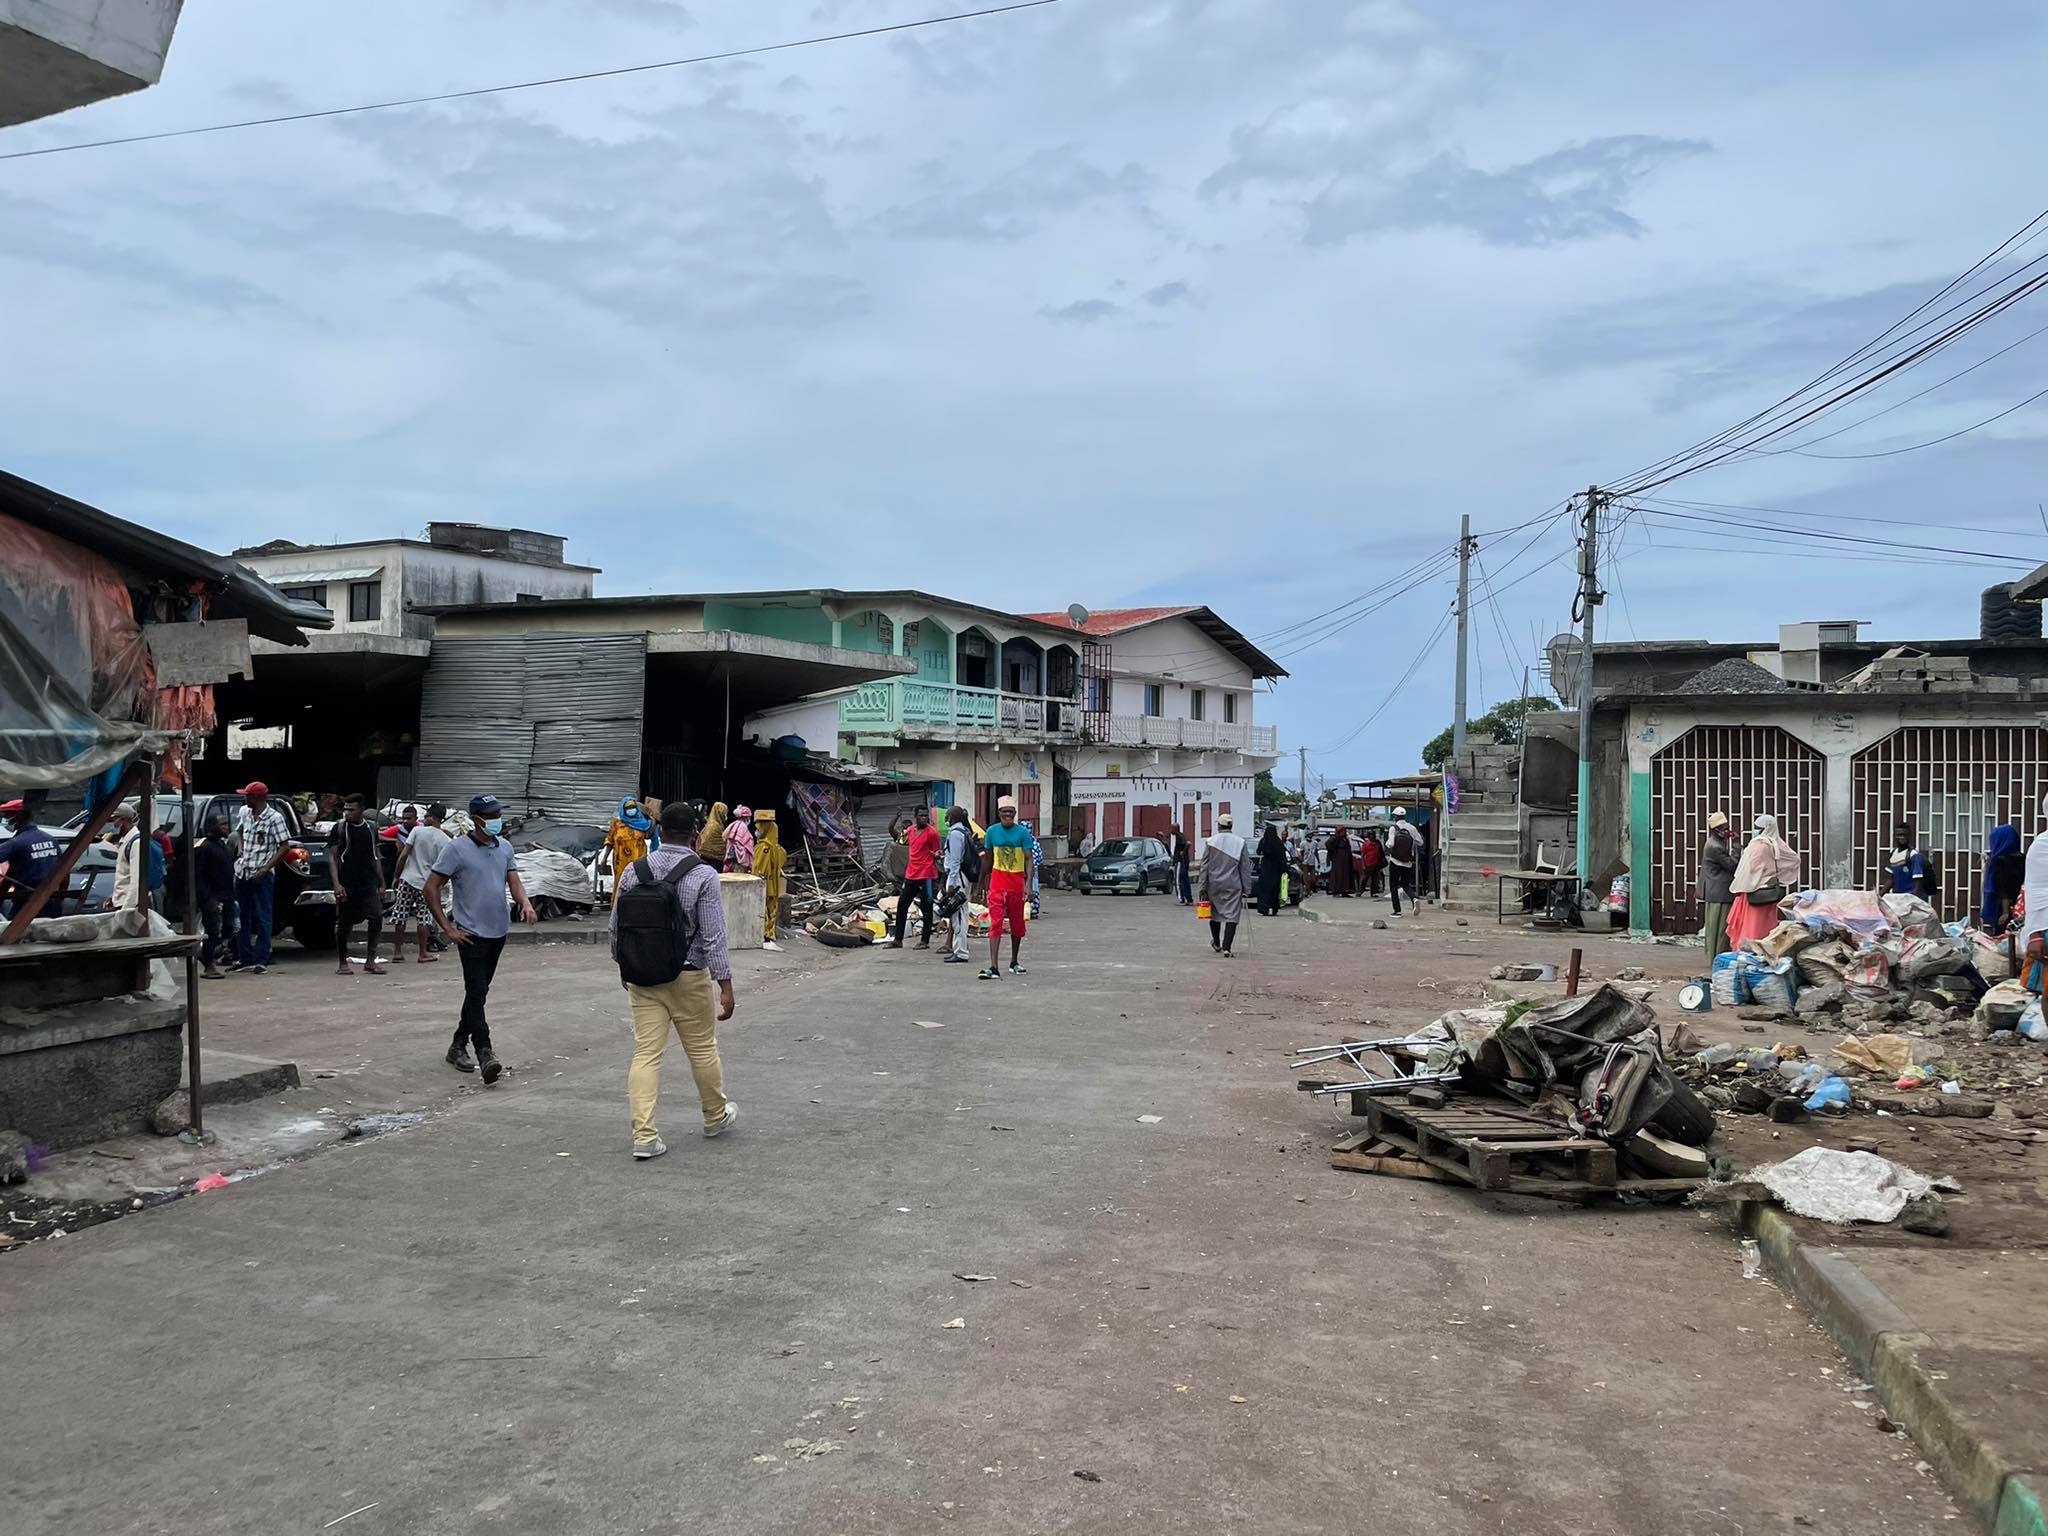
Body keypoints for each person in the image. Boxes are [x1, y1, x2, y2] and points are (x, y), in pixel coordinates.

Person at [613, 800, 738, 1157]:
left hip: (642, 977)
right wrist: (725, 985)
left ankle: (645, 1137)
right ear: (695, 836)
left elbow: (615, 928)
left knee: (646, 1055)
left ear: (660, 831)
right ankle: (714, 1116)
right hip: (687, 976)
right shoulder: (703, 875)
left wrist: (625, 968)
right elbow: (714, 936)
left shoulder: (634, 871)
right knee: (701, 1049)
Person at [424, 794, 537, 1084]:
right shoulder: (456, 849)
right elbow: (431, 887)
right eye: (493, 814)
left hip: (498, 931)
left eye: (499, 813)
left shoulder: (505, 847)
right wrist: (447, 928)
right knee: (476, 991)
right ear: (477, 819)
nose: (498, 819)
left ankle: (457, 1045)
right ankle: (485, 1052)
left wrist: (525, 903)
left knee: (479, 992)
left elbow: (513, 880)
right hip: (470, 934)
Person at [231, 781, 291, 975]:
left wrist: (266, 868)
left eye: (247, 796)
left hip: (262, 874)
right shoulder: (245, 813)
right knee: (242, 916)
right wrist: (240, 851)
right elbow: (238, 832)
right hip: (243, 871)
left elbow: (284, 846)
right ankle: (244, 957)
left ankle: (262, 959)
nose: (244, 799)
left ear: (257, 797)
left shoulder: (275, 818)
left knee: (263, 917)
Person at [328, 794, 387, 975]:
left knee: (376, 917)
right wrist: (337, 884)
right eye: (345, 809)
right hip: (348, 882)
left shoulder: (371, 828)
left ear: (361, 809)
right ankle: (342, 962)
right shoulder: (339, 829)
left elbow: (375, 856)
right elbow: (333, 857)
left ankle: (370, 960)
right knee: (345, 923)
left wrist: (382, 882)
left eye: (351, 809)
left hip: (368, 882)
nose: (347, 813)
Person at [1727, 813, 1801, 951]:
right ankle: (1766, 950)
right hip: (1770, 892)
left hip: (1754, 892)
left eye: (1758, 827)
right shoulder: (1775, 843)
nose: (1755, 830)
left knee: (1752, 925)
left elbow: (1750, 868)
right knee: (1767, 925)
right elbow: (1794, 859)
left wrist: (1746, 882)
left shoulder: (1758, 845)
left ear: (1765, 828)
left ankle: (1750, 951)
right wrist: (1776, 874)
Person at [390, 803, 453, 963]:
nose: (424, 819)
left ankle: (397, 952)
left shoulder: (417, 831)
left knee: (400, 916)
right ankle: (422, 953)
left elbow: (404, 855)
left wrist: (396, 876)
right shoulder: (445, 840)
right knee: (423, 918)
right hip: (427, 885)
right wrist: (439, 886)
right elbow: (444, 867)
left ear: (432, 817)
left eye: (427, 816)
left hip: (407, 879)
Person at [979, 795, 1033, 979]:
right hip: (997, 884)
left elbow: (1028, 859)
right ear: (999, 813)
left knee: (1017, 925)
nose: (1007, 815)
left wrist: (1029, 885)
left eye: (1010, 812)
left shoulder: (1022, 833)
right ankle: (993, 966)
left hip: (1016, 885)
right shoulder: (992, 832)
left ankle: (1014, 961)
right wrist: (981, 883)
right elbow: (988, 858)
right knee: (995, 923)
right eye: (1004, 812)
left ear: (1015, 813)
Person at [1200, 811, 1252, 956]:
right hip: (1233, 885)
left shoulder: (1211, 841)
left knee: (1215, 914)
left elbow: (1204, 866)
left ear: (1219, 826)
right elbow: (1245, 867)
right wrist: (1246, 888)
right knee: (1232, 916)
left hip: (1214, 884)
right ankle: (1227, 947)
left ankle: (1216, 942)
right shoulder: (1240, 842)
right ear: (1231, 825)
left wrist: (1202, 886)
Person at [891, 805, 941, 949]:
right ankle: (897, 939)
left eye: (926, 816)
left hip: (926, 874)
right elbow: (896, 837)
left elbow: (937, 853)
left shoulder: (932, 833)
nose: (924, 818)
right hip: (911, 874)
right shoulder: (911, 830)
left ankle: (925, 940)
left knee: (927, 907)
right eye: (921, 816)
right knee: (902, 905)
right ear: (915, 816)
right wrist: (895, 817)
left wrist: (937, 856)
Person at [196, 813, 238, 978]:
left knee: (230, 928)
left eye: (227, 824)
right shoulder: (205, 847)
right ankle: (209, 964)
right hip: (212, 898)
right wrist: (207, 899)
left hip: (227, 897)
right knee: (213, 931)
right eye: (222, 824)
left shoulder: (223, 845)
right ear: (212, 826)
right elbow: (198, 876)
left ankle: (206, 955)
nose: (227, 827)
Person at [0, 809, 59, 918]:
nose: (6, 820)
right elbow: (14, 870)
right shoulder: (50, 839)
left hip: (27, 899)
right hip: (51, 897)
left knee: (15, 932)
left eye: (8, 816)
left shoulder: (17, 842)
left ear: (20, 817)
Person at [1698, 810, 1738, 959]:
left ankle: (1714, 955)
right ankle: (1718, 956)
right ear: (1716, 830)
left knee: (1714, 927)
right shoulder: (1715, 847)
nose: (1727, 831)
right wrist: (1736, 846)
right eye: (1724, 828)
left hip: (1716, 890)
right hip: (1719, 891)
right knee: (1720, 928)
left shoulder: (1716, 842)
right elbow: (1732, 865)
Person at [941, 805, 975, 963]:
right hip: (963, 877)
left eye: (947, 816)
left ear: (952, 818)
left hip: (958, 878)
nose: (946, 819)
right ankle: (959, 948)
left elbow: (955, 861)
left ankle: (961, 952)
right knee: (960, 913)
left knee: (959, 915)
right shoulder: (965, 831)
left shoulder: (955, 834)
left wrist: (950, 884)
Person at [606, 798, 656, 904]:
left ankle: (637, 906)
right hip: (621, 861)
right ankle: (618, 906)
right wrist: (604, 859)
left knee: (638, 882)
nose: (631, 809)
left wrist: (652, 821)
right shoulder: (617, 824)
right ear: (623, 809)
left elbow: (649, 835)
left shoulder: (643, 823)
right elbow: (609, 841)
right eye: (628, 808)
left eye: (633, 807)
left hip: (639, 859)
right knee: (621, 882)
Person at [751, 808, 786, 952]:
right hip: (774, 884)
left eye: (758, 828)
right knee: (772, 908)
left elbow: (759, 869)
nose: (756, 831)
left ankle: (765, 935)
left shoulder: (763, 848)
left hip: (764, 884)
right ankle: (770, 935)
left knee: (763, 909)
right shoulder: (777, 848)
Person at [1985, 821, 2025, 932]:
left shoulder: (2000, 860)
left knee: (2004, 939)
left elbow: (2005, 887)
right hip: (2023, 909)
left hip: (2005, 909)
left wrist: (2005, 912)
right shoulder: (2024, 859)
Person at [1886, 822, 1936, 906]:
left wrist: (1911, 902)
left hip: (1913, 902)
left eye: (1904, 835)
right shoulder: (1893, 853)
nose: (1902, 837)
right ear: (1894, 836)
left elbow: (1918, 883)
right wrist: (1879, 896)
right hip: (1899, 900)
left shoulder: (1914, 855)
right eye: (1899, 835)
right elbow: (1891, 879)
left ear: (1910, 837)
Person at [1386, 809, 1421, 916]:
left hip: (1395, 861)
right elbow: (1420, 842)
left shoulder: (1393, 828)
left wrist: (1387, 844)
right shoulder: (1412, 828)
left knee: (1393, 885)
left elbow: (1390, 844)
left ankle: (1397, 911)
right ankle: (1414, 898)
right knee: (1406, 884)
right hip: (1408, 862)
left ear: (1396, 817)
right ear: (1405, 816)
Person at [1255, 823, 1285, 917]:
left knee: (1264, 889)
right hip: (1276, 869)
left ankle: (1264, 908)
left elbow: (1258, 851)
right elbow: (1282, 856)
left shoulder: (1264, 841)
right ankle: (1274, 908)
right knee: (1274, 890)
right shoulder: (1278, 842)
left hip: (1266, 868)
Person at [1324, 824, 1356, 898]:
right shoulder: (1335, 838)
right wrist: (1334, 852)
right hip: (1339, 860)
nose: (1345, 832)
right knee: (1339, 875)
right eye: (1343, 830)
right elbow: (1328, 843)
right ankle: (1336, 891)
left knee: (1346, 875)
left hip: (1345, 860)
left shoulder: (1344, 838)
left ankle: (1345, 891)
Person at [698, 801, 730, 866]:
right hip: (713, 861)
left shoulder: (710, 824)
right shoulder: (715, 826)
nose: (725, 816)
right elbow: (718, 844)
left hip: (706, 858)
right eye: (724, 813)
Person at [726, 804, 755, 875]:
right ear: (746, 817)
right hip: (740, 859)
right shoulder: (743, 826)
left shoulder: (734, 824)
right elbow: (745, 844)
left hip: (732, 857)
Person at [1358, 826, 1384, 897]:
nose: (1374, 836)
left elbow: (1381, 853)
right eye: (1372, 835)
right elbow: (1362, 855)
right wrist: (1363, 865)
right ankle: (1360, 891)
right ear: (1369, 836)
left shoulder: (1377, 843)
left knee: (1374, 879)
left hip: (1376, 864)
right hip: (1368, 864)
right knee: (1364, 878)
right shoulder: (1366, 844)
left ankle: (1373, 893)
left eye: (1374, 835)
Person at [1171, 825, 1193, 904]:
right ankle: (1189, 898)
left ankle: (1181, 898)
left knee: (1178, 880)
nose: (1170, 830)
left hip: (1180, 861)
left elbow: (1188, 843)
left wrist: (1183, 852)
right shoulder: (1182, 835)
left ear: (1175, 829)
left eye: (1171, 828)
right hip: (1184, 861)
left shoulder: (1179, 836)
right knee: (1185, 880)